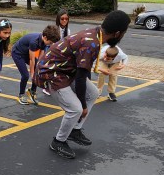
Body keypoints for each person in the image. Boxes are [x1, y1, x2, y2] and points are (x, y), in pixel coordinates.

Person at [36, 10, 131, 159]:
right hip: (51, 72)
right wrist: (84, 107)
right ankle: (58, 142)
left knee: (93, 93)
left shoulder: (96, 34)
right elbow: (80, 78)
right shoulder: (91, 42)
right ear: (117, 33)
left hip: (66, 70)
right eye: (123, 33)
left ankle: (74, 130)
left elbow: (83, 71)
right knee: (76, 109)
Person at [9, 25, 60, 105]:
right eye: (50, 42)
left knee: (38, 70)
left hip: (26, 53)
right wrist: (32, 74)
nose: (51, 44)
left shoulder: (44, 41)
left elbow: (40, 58)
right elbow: (32, 60)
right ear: (45, 38)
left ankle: (32, 91)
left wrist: (39, 68)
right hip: (17, 53)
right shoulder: (34, 42)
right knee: (25, 75)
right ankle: (21, 95)